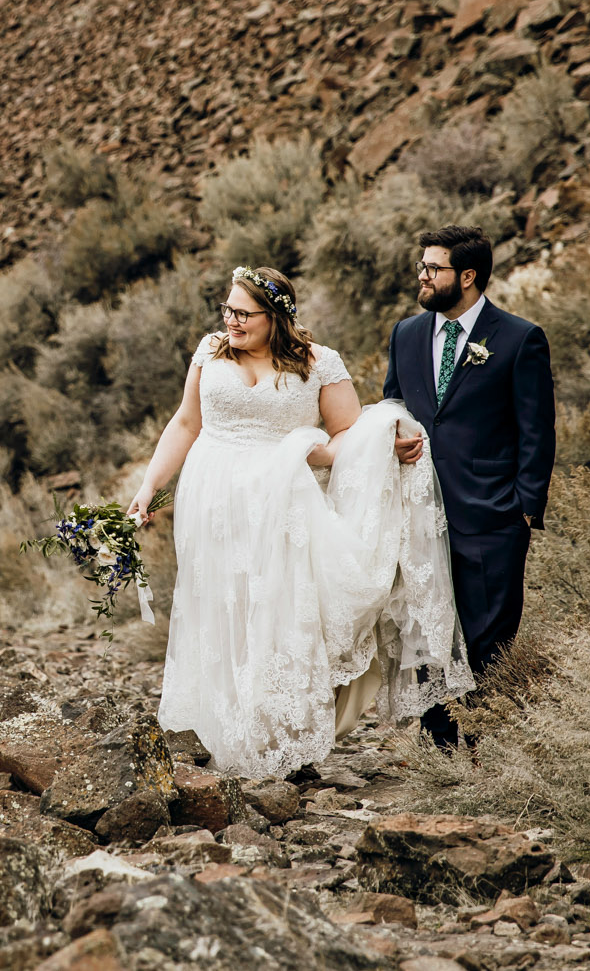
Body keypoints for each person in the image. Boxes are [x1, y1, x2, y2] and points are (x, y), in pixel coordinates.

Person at [128, 266, 473, 778]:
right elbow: (185, 422)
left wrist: (314, 449)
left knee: (281, 611)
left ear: (276, 317)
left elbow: (347, 440)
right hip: (212, 502)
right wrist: (148, 487)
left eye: (243, 314)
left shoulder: (319, 363)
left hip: (284, 503)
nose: (231, 321)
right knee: (221, 609)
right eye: (227, 310)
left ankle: (278, 739)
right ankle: (218, 735)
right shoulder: (211, 350)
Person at [383, 225, 555, 751]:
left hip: (493, 516)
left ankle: (484, 746)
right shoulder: (407, 334)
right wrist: (391, 438)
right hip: (421, 512)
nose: (422, 276)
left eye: (433, 268)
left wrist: (525, 509)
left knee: (487, 636)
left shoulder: (519, 338)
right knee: (431, 631)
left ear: (468, 276)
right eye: (422, 266)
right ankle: (441, 750)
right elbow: (392, 404)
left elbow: (537, 429)